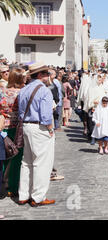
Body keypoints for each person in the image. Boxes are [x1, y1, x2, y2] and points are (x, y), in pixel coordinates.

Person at [17, 62, 55, 207]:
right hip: (39, 128)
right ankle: (38, 196)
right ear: (39, 75)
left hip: (26, 126)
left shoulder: (24, 89)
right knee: (42, 163)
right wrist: (50, 129)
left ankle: (23, 194)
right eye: (45, 73)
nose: (48, 76)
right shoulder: (44, 91)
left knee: (26, 162)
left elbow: (21, 112)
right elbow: (46, 116)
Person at [0, 68, 25, 197]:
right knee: (16, 157)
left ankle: (2, 184)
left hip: (3, 127)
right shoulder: (21, 93)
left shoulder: (2, 92)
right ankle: (13, 186)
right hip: (16, 129)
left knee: (3, 157)